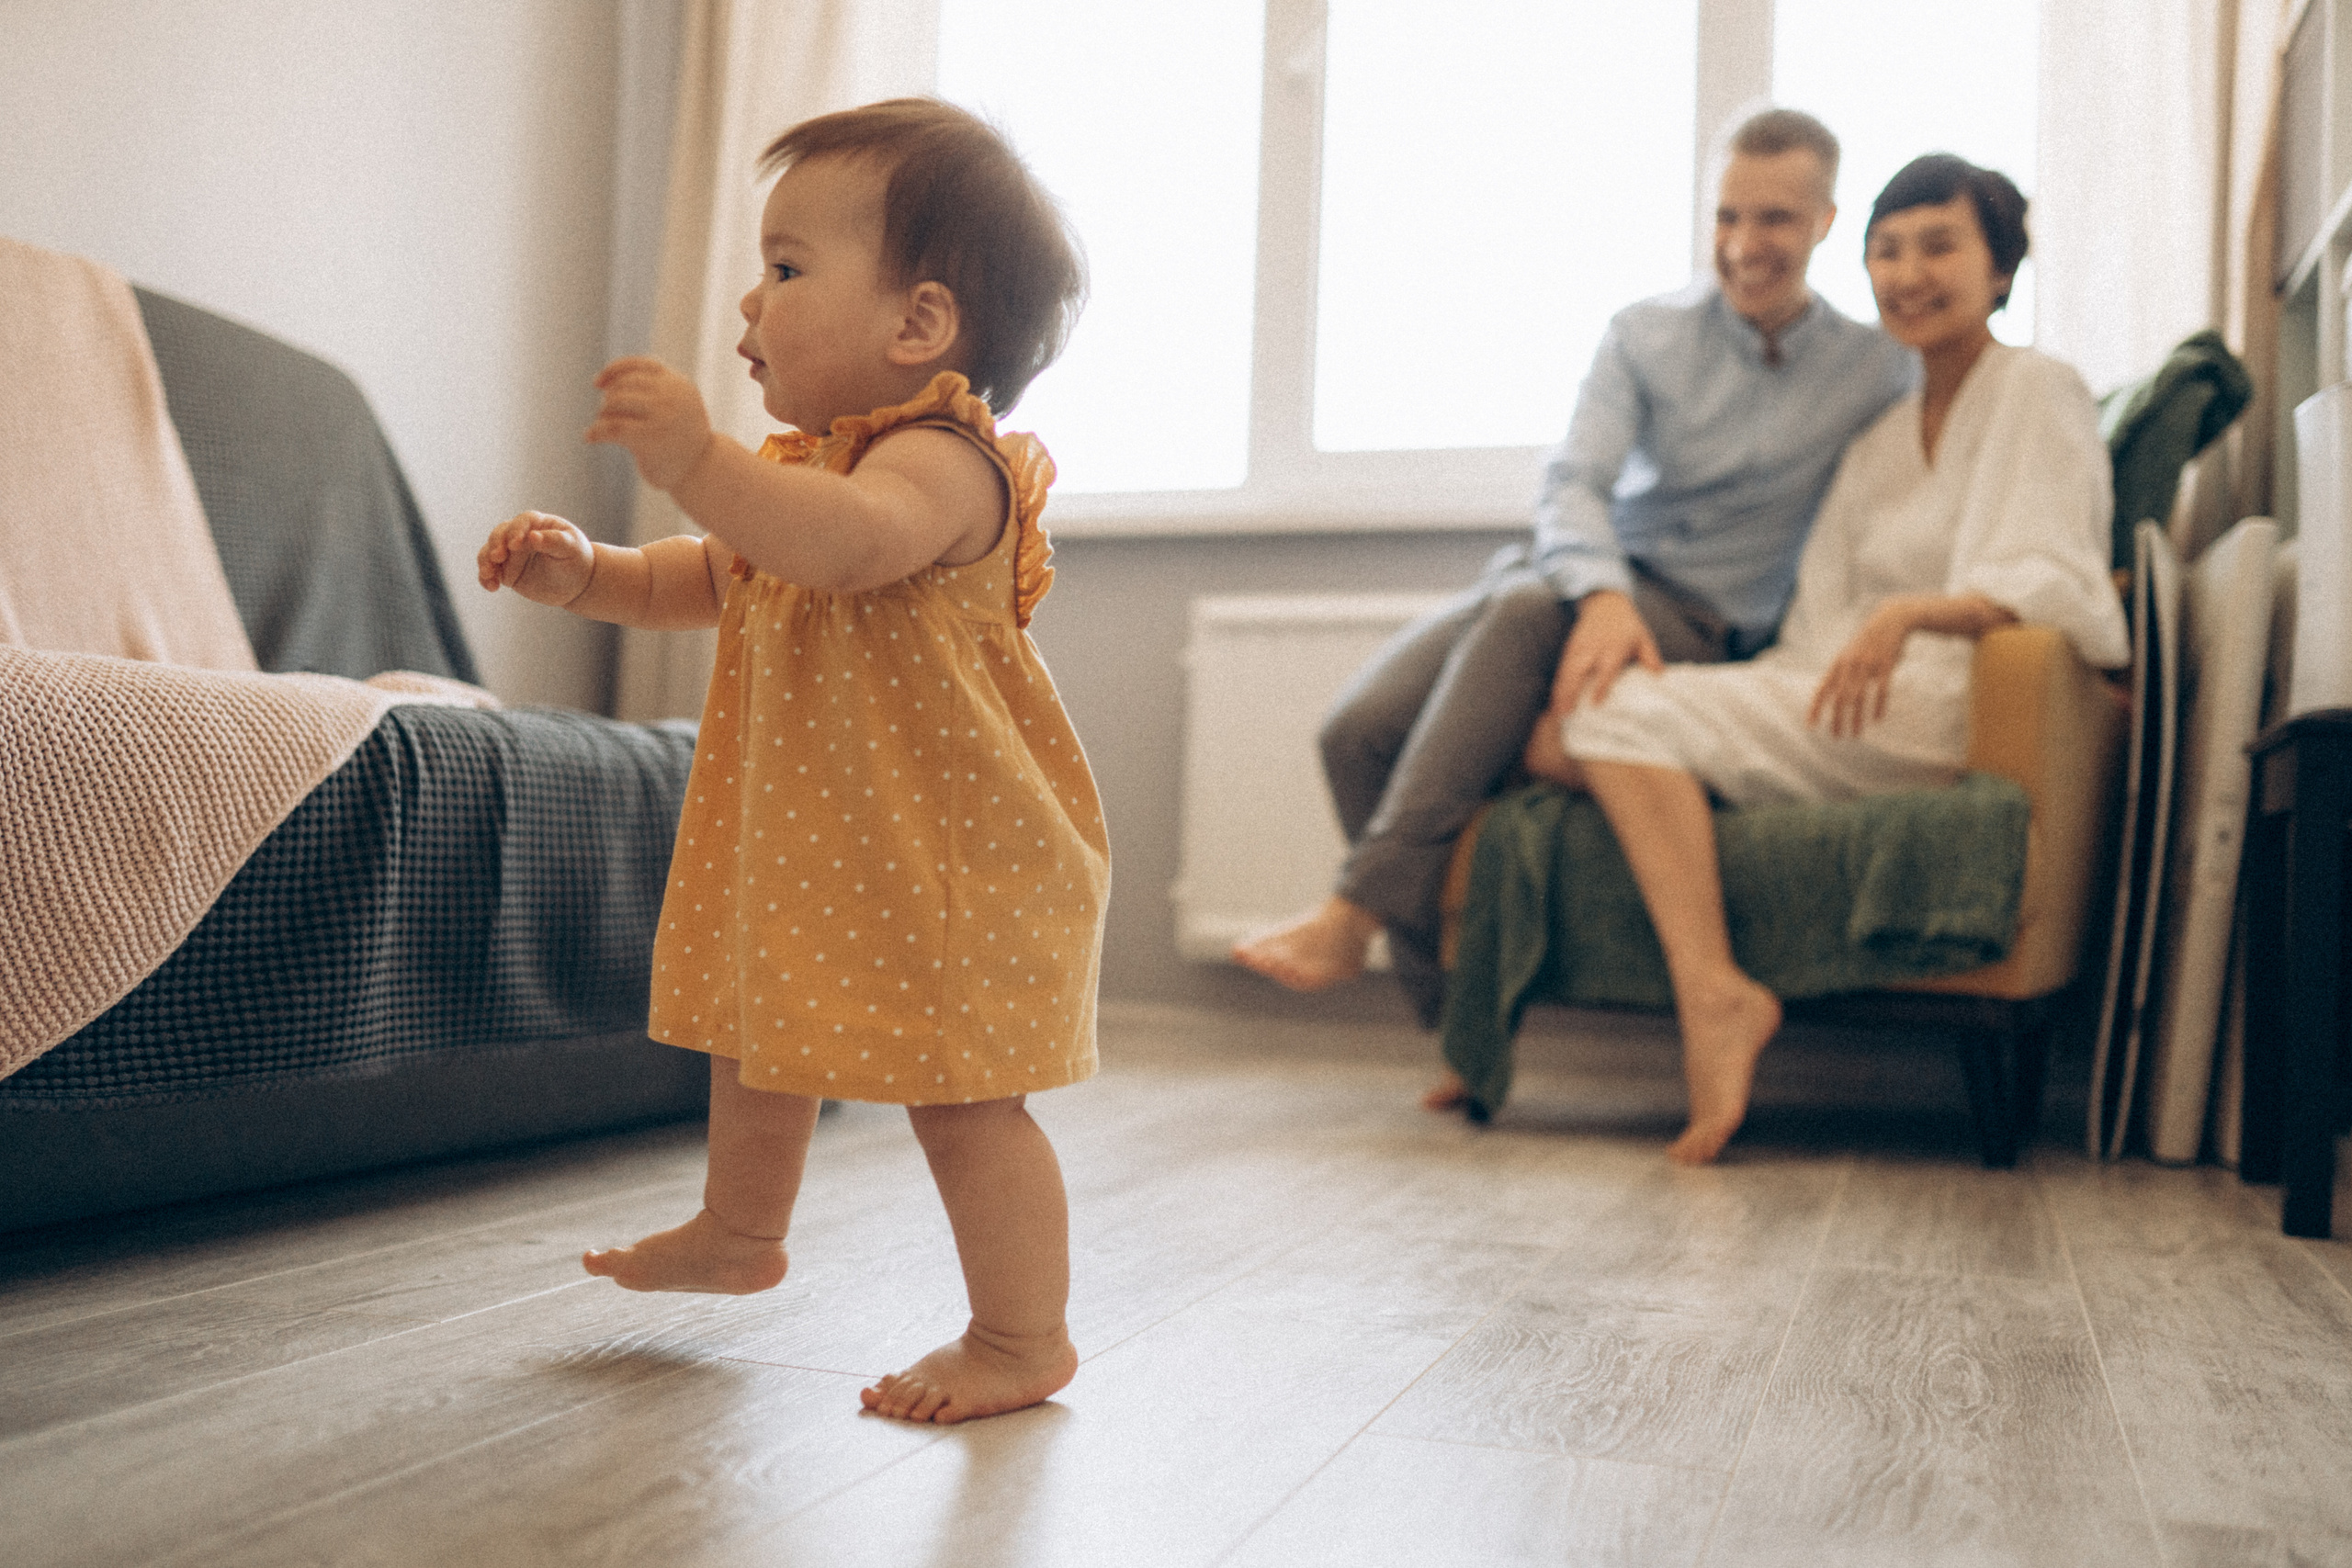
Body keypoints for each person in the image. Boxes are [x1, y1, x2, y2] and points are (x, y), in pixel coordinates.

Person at [475, 99, 1105, 1425]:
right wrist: (584, 567)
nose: (750, 305)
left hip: (955, 859)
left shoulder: (940, 465)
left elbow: (843, 544)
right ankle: (737, 1230)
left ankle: (1018, 1333)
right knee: (758, 1035)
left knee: (965, 1103)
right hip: (831, 841)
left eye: (786, 267)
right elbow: (689, 578)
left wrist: (699, 460)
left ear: (919, 325)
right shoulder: (799, 474)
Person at [1233, 108, 1916, 1036]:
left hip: (1706, 615)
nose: (1744, 245)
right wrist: (1600, 594)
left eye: (1774, 221)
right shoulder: (1645, 334)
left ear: (1825, 222)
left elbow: (1937, 474)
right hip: (1578, 577)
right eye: (1726, 217)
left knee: (1518, 609)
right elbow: (1573, 481)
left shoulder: (1875, 369)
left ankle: (1355, 917)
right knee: (1354, 732)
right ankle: (1447, 1020)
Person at [1510, 153, 2129, 1165]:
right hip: (1845, 695)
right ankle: (1705, 866)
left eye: (1939, 246)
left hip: (1955, 702)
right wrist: (1829, 656)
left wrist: (1912, 617)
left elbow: (2059, 578)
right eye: (1886, 251)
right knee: (1565, 723)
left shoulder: (2038, 388)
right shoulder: (1878, 435)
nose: (1907, 273)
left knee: (1609, 718)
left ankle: (1713, 993)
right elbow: (1817, 627)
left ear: (2002, 268)